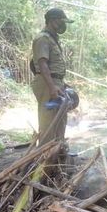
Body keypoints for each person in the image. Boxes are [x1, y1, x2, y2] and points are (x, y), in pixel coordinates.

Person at [31, 8, 74, 145]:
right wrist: (52, 87)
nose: (63, 25)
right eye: (62, 21)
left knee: (60, 120)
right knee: (48, 122)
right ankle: (46, 157)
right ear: (53, 21)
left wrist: (60, 83)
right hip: (46, 84)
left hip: (55, 82)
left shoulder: (53, 39)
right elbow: (42, 64)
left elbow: (53, 66)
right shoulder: (42, 38)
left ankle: (58, 152)